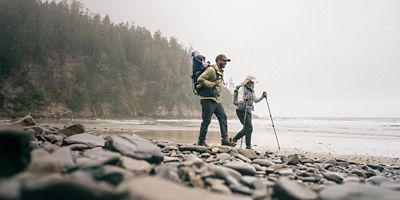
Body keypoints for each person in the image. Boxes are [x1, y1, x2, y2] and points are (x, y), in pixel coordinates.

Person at [196, 54, 235, 146]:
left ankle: (225, 140)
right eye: (223, 61)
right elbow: (200, 79)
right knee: (206, 121)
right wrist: (213, 84)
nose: (225, 63)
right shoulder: (211, 70)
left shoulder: (220, 71)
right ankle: (201, 142)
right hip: (207, 99)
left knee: (223, 117)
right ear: (218, 61)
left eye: (226, 61)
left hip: (216, 99)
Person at [232, 75, 267, 149]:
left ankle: (234, 139)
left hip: (248, 111)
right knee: (249, 128)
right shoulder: (242, 88)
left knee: (247, 128)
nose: (253, 84)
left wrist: (262, 96)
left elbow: (256, 100)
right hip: (241, 110)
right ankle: (248, 146)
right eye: (252, 82)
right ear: (249, 81)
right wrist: (244, 100)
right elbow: (239, 101)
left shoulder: (251, 89)